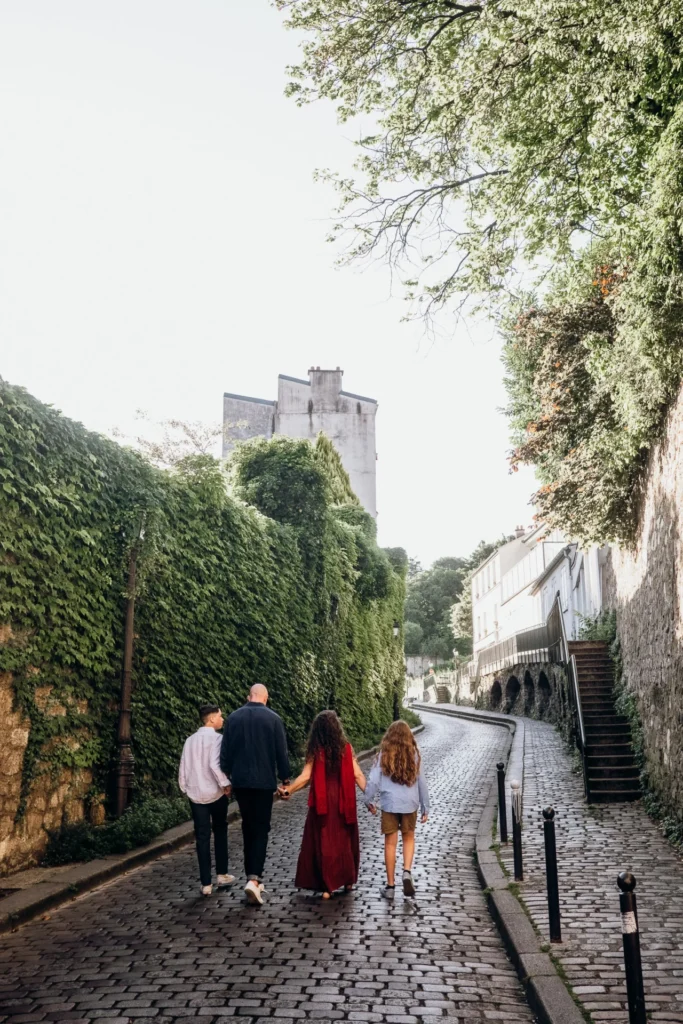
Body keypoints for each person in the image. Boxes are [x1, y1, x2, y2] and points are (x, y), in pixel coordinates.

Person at [281, 710, 366, 900]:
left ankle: (328, 885)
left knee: (325, 842)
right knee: (344, 840)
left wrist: (289, 790)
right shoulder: (346, 748)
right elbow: (358, 775)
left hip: (323, 800)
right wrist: (370, 797)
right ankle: (348, 880)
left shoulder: (316, 751)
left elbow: (305, 777)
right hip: (344, 800)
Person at [220, 683, 290, 905]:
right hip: (263, 782)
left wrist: (228, 773)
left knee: (247, 827)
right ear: (266, 698)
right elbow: (281, 752)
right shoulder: (273, 719)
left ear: (248, 696)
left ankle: (252, 876)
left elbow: (226, 752)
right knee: (261, 829)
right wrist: (286, 778)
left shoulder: (233, 718)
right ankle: (254, 878)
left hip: (241, 782)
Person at [364, 720, 429, 899]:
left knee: (390, 844)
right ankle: (407, 871)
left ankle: (390, 886)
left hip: (390, 804)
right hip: (410, 803)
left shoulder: (383, 755)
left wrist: (368, 800)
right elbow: (421, 782)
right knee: (408, 838)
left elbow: (374, 781)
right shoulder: (414, 754)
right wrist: (426, 806)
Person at [178, 703, 235, 897]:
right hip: (216, 793)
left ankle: (205, 883)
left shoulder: (190, 741)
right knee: (220, 830)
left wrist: (185, 788)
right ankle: (222, 874)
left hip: (196, 794)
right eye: (220, 716)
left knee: (202, 837)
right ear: (211, 719)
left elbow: (183, 767)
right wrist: (226, 784)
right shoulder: (218, 739)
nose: (222, 719)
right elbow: (214, 765)